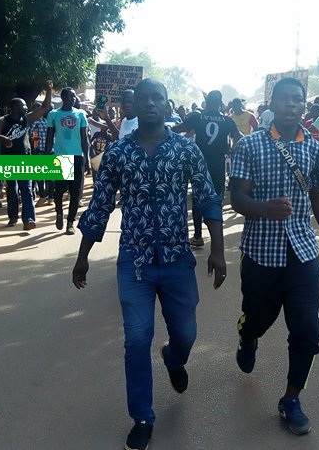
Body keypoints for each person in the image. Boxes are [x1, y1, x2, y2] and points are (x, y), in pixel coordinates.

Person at [73, 79, 226, 450]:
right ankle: (142, 416)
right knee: (137, 339)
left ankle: (174, 359)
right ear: (134, 106)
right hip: (135, 263)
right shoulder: (118, 153)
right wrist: (83, 257)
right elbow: (100, 206)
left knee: (186, 335)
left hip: (176, 260)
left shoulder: (186, 150)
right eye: (144, 99)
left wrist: (218, 251)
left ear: (167, 104)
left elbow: (207, 198)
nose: (151, 104)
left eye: (157, 98)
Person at [230, 76, 319, 436]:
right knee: (257, 319)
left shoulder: (314, 149)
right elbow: (237, 199)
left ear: (304, 105)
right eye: (284, 99)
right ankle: (248, 338)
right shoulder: (250, 146)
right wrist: (264, 208)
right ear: (272, 104)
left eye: (298, 100)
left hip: (302, 252)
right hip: (261, 252)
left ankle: (291, 398)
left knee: (307, 327)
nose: (291, 105)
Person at [173, 90, 242, 246]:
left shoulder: (197, 118)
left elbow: (180, 129)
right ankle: (217, 238)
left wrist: (165, 128)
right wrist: (232, 150)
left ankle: (198, 236)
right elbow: (237, 137)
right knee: (216, 199)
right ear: (220, 103)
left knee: (197, 198)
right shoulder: (227, 121)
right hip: (219, 165)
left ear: (207, 101)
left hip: (199, 164)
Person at [0, 82, 53, 230]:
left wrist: (49, 89)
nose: (26, 108)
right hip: (8, 160)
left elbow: (45, 107)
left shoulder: (26, 119)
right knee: (12, 189)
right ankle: (13, 217)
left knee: (27, 189)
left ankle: (29, 219)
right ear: (15, 108)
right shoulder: (2, 120)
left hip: (25, 159)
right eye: (24, 106)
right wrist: (4, 139)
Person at [46, 87, 89, 235]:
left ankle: (70, 222)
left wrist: (87, 159)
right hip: (61, 157)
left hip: (77, 157)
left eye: (75, 96)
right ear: (64, 98)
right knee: (59, 191)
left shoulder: (81, 114)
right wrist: (46, 155)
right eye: (72, 96)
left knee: (75, 193)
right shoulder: (53, 115)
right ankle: (59, 213)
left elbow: (85, 139)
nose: (75, 98)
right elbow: (49, 137)